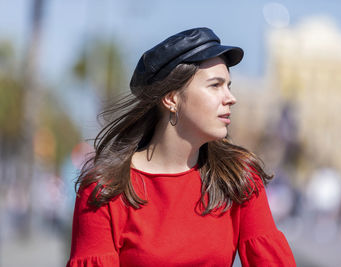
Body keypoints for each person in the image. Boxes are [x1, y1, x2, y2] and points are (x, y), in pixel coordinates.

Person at [66, 27, 296, 267]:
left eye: (229, 85)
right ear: (172, 98)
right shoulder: (107, 189)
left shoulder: (238, 177)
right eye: (215, 85)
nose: (230, 97)